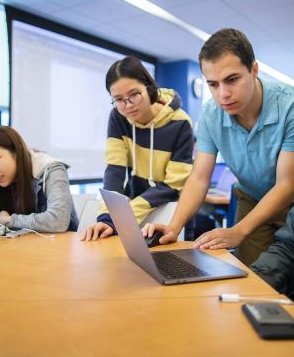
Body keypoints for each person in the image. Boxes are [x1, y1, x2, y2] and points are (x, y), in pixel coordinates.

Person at [142, 28, 294, 266]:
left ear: (254, 70)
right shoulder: (211, 114)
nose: (223, 94)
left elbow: (287, 184)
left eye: (232, 80)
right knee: (255, 277)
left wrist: (238, 231)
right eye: (213, 84)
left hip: (291, 198)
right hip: (252, 197)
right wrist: (174, 226)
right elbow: (199, 178)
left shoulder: (289, 106)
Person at [81, 56, 194, 241]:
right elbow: (114, 171)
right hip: (133, 213)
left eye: (134, 94)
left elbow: (173, 185)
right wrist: (108, 217)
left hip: (169, 212)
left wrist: (121, 217)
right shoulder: (118, 117)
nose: (128, 105)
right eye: (118, 99)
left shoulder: (180, 123)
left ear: (149, 88)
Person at [0, 126, 78, 232]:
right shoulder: (4, 176)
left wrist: (8, 220)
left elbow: (58, 220)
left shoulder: (51, 169)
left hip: (58, 245)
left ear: (16, 152)